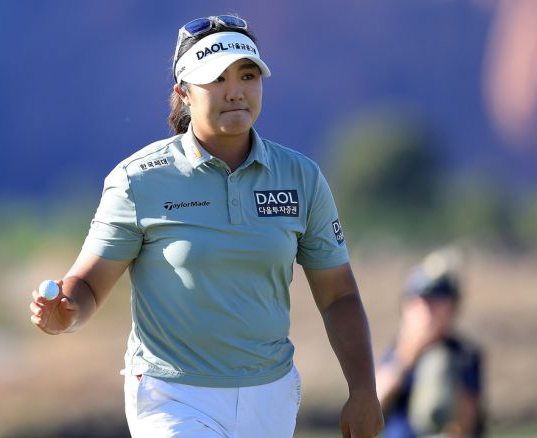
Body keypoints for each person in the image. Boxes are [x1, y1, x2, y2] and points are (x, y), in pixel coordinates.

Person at [28, 14, 384, 438]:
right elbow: (87, 285)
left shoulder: (301, 177)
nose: (235, 91)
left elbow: (339, 295)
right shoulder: (139, 179)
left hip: (270, 395)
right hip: (171, 397)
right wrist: (65, 314)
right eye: (215, 79)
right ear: (184, 93)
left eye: (247, 76)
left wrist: (364, 390)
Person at [375, 250, 485, 438]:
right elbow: (374, 401)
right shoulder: (398, 351)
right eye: (422, 302)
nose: (428, 311)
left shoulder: (464, 354)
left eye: (437, 302)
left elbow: (467, 423)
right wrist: (406, 359)